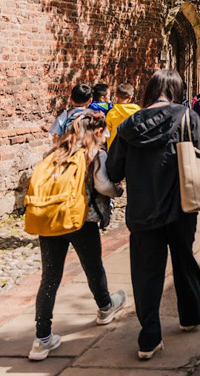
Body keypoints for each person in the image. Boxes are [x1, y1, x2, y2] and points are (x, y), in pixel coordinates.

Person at [107, 69, 200, 360]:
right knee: (185, 260)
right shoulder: (186, 117)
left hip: (142, 211)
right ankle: (191, 315)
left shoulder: (129, 124)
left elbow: (113, 171)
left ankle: (149, 337)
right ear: (176, 91)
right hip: (181, 207)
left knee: (146, 274)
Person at [29, 111, 126, 361]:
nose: (104, 137)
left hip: (50, 219)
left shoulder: (52, 154)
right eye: (102, 132)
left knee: (49, 277)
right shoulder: (94, 154)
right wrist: (118, 190)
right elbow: (104, 185)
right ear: (95, 131)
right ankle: (105, 308)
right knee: (93, 267)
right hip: (80, 221)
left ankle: (41, 339)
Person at [106, 83, 140, 150]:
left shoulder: (111, 113)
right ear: (130, 97)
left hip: (114, 150)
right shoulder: (137, 111)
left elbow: (107, 134)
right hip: (132, 149)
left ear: (115, 95)